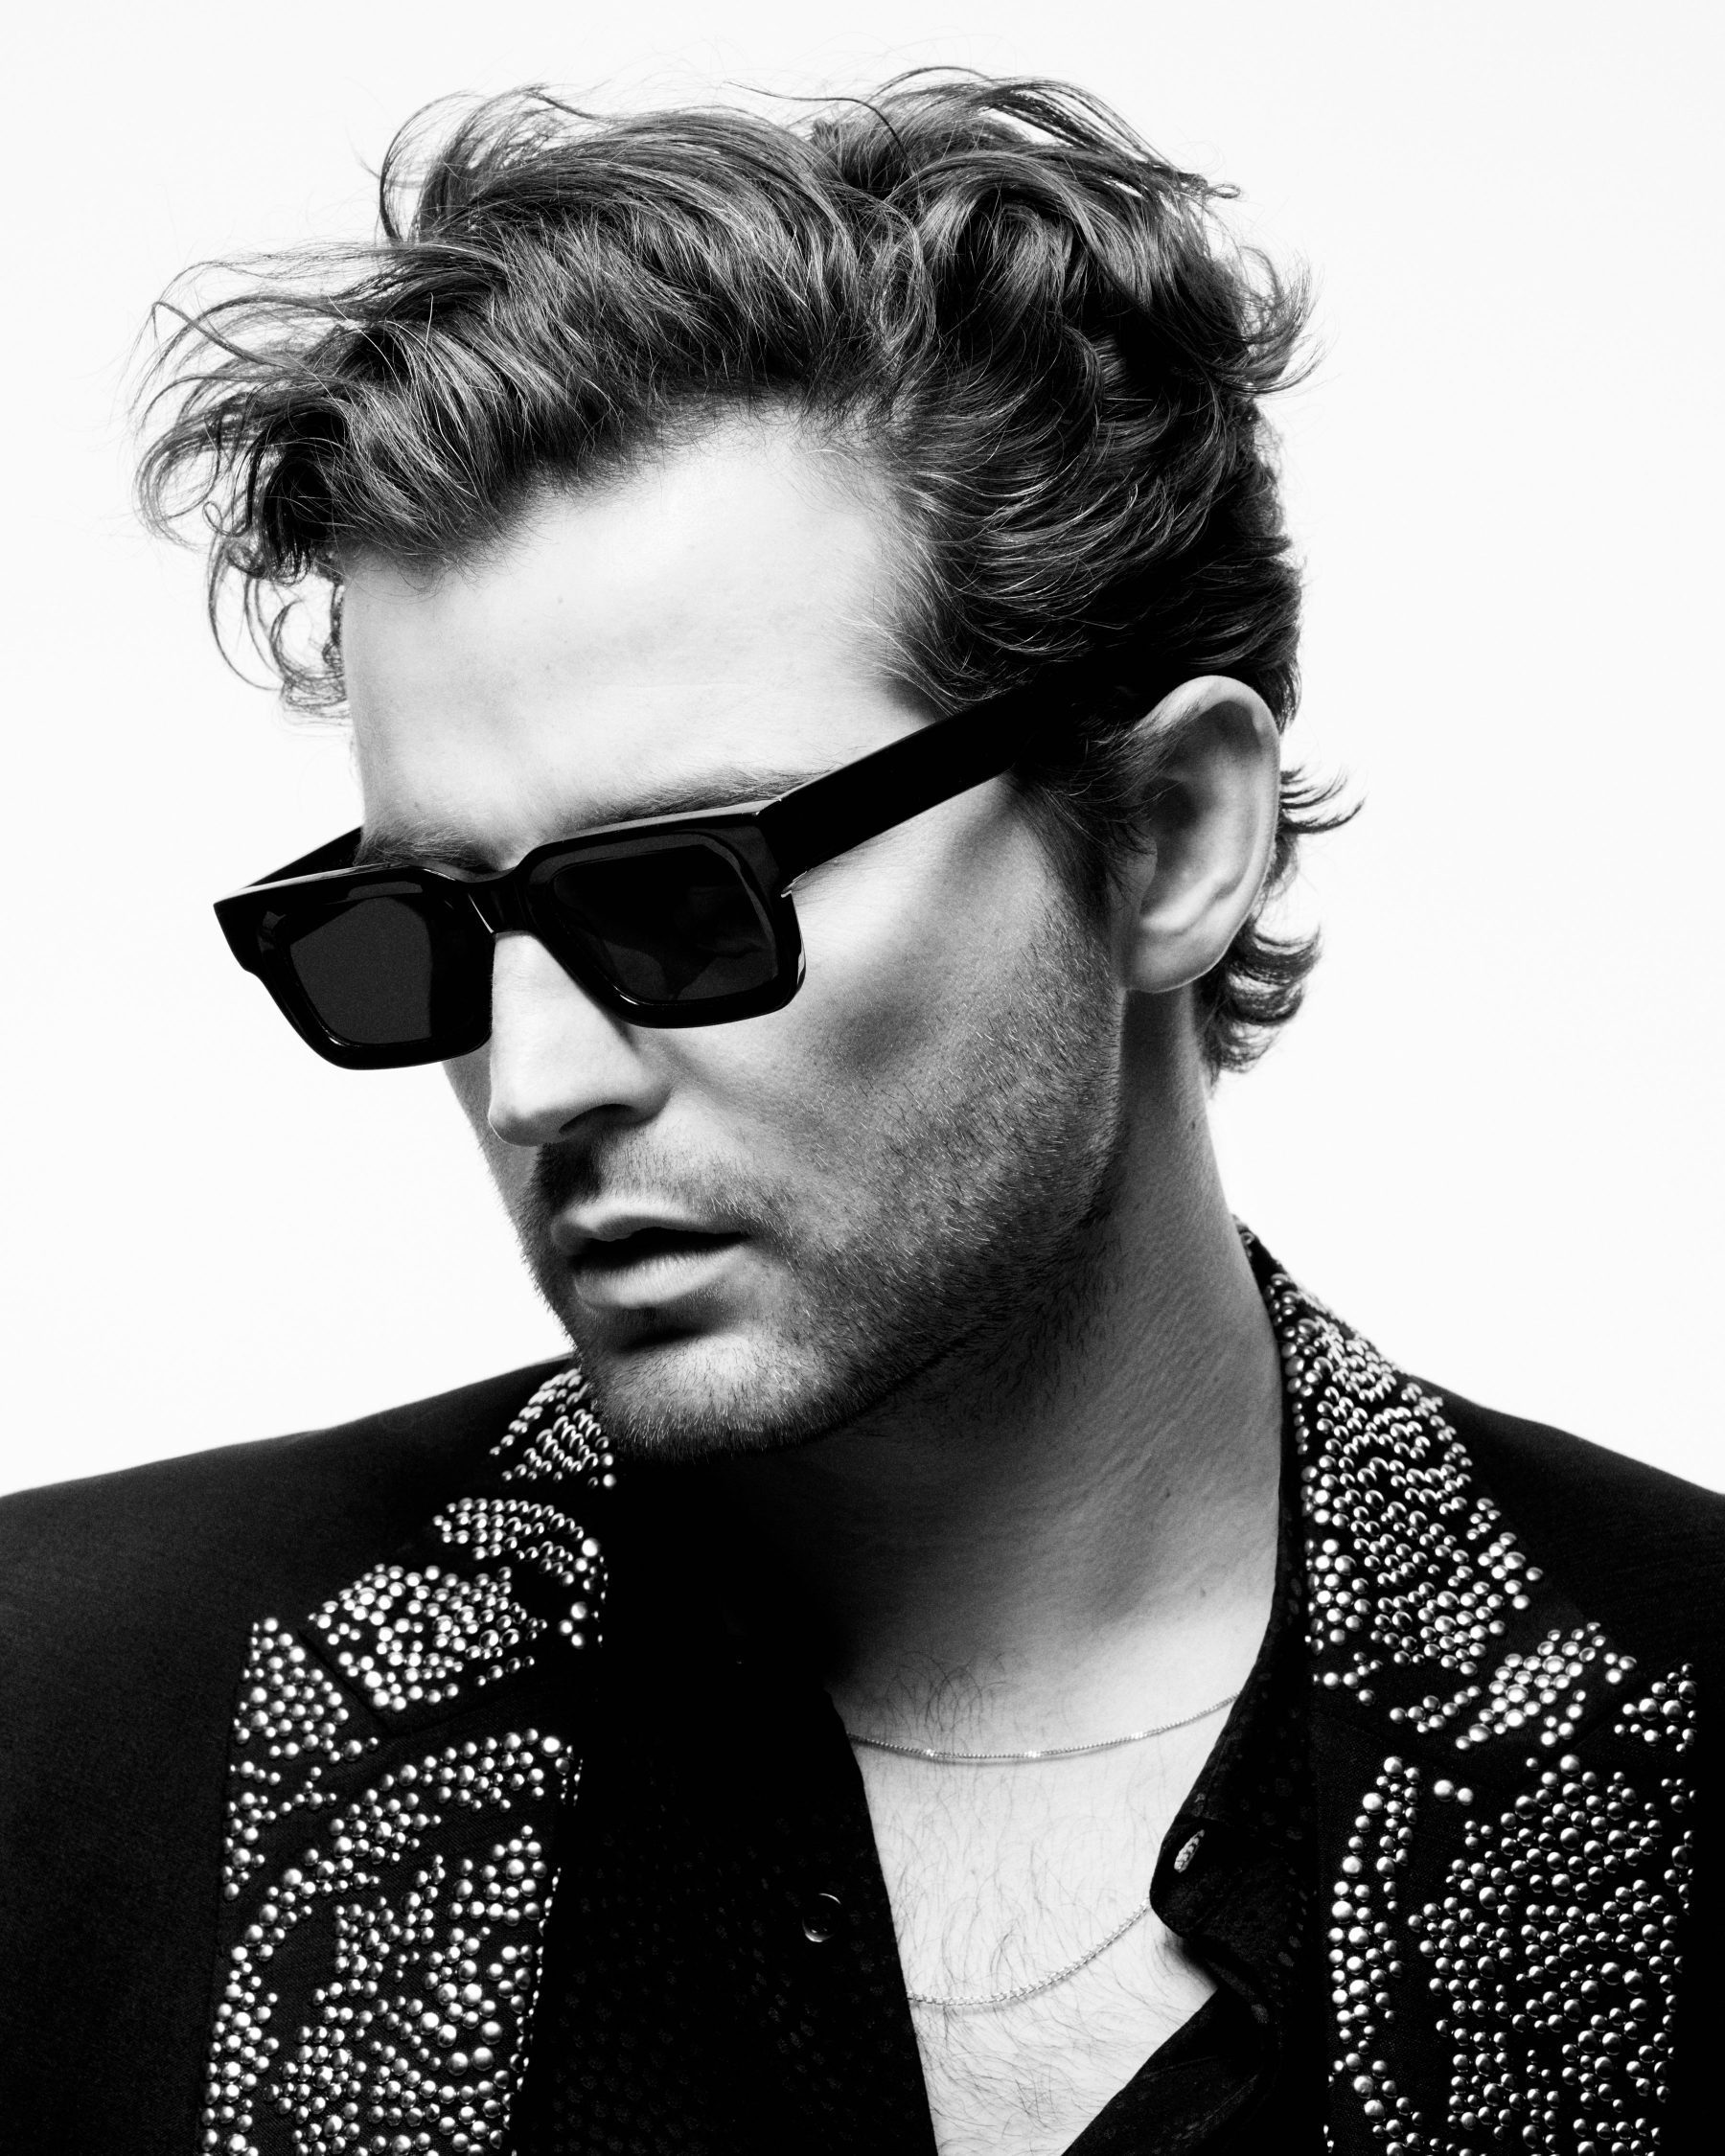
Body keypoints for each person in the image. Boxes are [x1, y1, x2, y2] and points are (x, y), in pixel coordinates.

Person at [1, 72, 1716, 2156]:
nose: (536, 1080)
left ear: (1171, 835)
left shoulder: (1669, 1748)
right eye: (421, 935)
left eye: (682, 899)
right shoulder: (71, 1728)